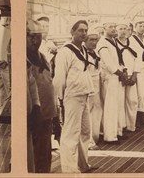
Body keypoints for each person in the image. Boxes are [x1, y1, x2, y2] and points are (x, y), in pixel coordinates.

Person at [53, 19, 93, 173]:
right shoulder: (65, 51)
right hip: (72, 97)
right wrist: (60, 98)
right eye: (80, 30)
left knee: (84, 132)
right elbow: (59, 77)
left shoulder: (82, 49)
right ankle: (69, 169)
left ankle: (83, 164)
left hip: (84, 94)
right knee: (71, 133)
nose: (83, 33)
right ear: (72, 32)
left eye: (85, 30)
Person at [26, 19, 57, 173]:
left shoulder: (43, 57)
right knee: (33, 158)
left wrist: (55, 117)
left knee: (45, 155)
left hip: (47, 116)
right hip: (33, 117)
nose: (34, 40)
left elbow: (49, 85)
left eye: (37, 36)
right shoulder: (23, 60)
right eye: (30, 36)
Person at [97, 20, 128, 145]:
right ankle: (110, 136)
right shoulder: (102, 43)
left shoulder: (113, 41)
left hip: (117, 76)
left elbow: (118, 58)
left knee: (118, 105)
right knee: (110, 106)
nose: (114, 28)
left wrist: (123, 69)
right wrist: (120, 73)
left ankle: (117, 131)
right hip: (110, 77)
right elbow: (108, 62)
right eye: (111, 26)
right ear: (104, 28)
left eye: (115, 26)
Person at [84, 25, 103, 149]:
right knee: (87, 115)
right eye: (91, 40)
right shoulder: (83, 54)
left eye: (96, 40)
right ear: (85, 41)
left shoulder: (94, 53)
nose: (94, 42)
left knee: (97, 112)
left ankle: (95, 137)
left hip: (96, 86)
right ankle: (88, 141)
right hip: (87, 86)